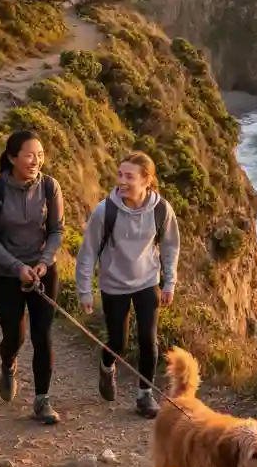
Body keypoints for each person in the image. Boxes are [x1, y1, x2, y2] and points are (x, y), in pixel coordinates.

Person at [75, 151, 180, 419]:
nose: (121, 181)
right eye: (120, 174)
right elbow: (88, 252)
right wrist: (84, 290)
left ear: (147, 180)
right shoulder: (105, 210)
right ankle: (107, 366)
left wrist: (169, 282)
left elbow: (170, 246)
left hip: (147, 281)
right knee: (117, 342)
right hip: (114, 283)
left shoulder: (161, 209)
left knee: (148, 340)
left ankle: (145, 395)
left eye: (129, 176)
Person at [0, 130, 65, 424]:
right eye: (29, 155)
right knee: (15, 336)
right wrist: (18, 268)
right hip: (5, 275)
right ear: (12, 157)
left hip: (43, 272)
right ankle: (8, 362)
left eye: (40, 155)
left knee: (43, 335)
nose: (36, 160)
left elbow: (56, 231)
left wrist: (43, 262)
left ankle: (42, 400)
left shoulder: (50, 186)